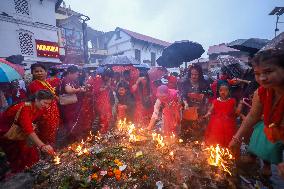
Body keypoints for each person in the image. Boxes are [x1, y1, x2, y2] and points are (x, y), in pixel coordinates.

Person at [229, 49, 284, 178]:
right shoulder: (260, 93)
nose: (262, 78)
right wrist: (236, 138)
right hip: (273, 131)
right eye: (257, 73)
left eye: (268, 71)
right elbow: (253, 116)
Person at [0, 90, 55, 173]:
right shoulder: (25, 108)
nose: (47, 106)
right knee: (18, 156)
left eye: (49, 104)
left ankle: (30, 168)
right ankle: (20, 175)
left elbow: (39, 122)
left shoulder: (39, 107)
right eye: (45, 103)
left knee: (30, 152)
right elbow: (29, 130)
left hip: (20, 131)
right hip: (8, 132)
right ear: (36, 99)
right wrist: (42, 146)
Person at [28, 63, 60, 146]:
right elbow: (40, 99)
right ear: (32, 73)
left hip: (52, 111)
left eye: (41, 71)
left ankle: (50, 147)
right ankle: (45, 149)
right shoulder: (34, 84)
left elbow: (52, 94)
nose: (39, 73)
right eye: (36, 71)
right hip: (43, 112)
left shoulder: (45, 82)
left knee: (52, 131)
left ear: (46, 72)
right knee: (45, 132)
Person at [180, 64, 212, 141]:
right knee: (186, 132)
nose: (194, 76)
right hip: (189, 110)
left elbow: (209, 94)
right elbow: (183, 95)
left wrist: (206, 103)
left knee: (198, 132)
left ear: (199, 74)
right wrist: (185, 103)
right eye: (192, 74)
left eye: (196, 74)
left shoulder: (204, 83)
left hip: (200, 111)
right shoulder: (185, 83)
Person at [204, 83, 241, 147]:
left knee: (228, 138)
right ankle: (218, 150)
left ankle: (226, 150)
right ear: (218, 91)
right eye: (221, 90)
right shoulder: (215, 101)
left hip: (229, 123)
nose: (223, 92)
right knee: (216, 138)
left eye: (225, 90)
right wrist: (206, 115)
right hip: (216, 123)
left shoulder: (232, 101)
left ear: (229, 91)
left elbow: (236, 111)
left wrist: (241, 107)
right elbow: (210, 110)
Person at [59, 66, 86, 139]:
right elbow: (69, 90)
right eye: (76, 74)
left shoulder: (73, 80)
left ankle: (73, 136)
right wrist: (80, 89)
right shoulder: (66, 79)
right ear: (70, 73)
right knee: (70, 122)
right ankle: (70, 138)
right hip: (68, 106)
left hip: (74, 105)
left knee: (74, 121)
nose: (77, 76)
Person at [92, 69, 114, 134]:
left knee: (107, 116)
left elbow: (113, 88)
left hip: (107, 101)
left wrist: (109, 85)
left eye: (110, 77)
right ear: (105, 75)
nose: (109, 78)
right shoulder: (98, 79)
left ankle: (105, 131)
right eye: (108, 76)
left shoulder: (109, 80)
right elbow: (95, 91)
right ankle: (99, 132)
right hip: (99, 102)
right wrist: (106, 86)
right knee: (100, 117)